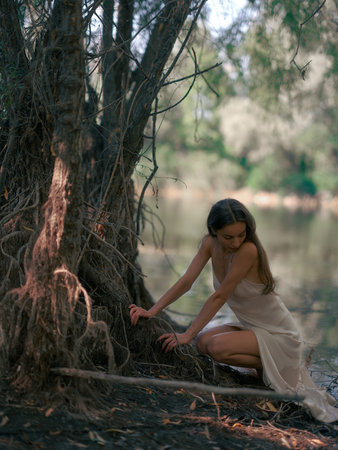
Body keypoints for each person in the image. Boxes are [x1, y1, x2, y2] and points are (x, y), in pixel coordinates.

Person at [129, 198, 338, 423]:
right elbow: (186, 281)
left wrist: (185, 334)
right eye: (229, 237)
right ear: (214, 231)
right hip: (254, 329)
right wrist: (151, 311)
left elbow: (220, 296)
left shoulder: (248, 250)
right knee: (202, 342)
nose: (236, 242)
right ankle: (267, 365)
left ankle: (273, 365)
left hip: (280, 335)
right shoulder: (209, 244)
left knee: (214, 346)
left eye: (241, 234)